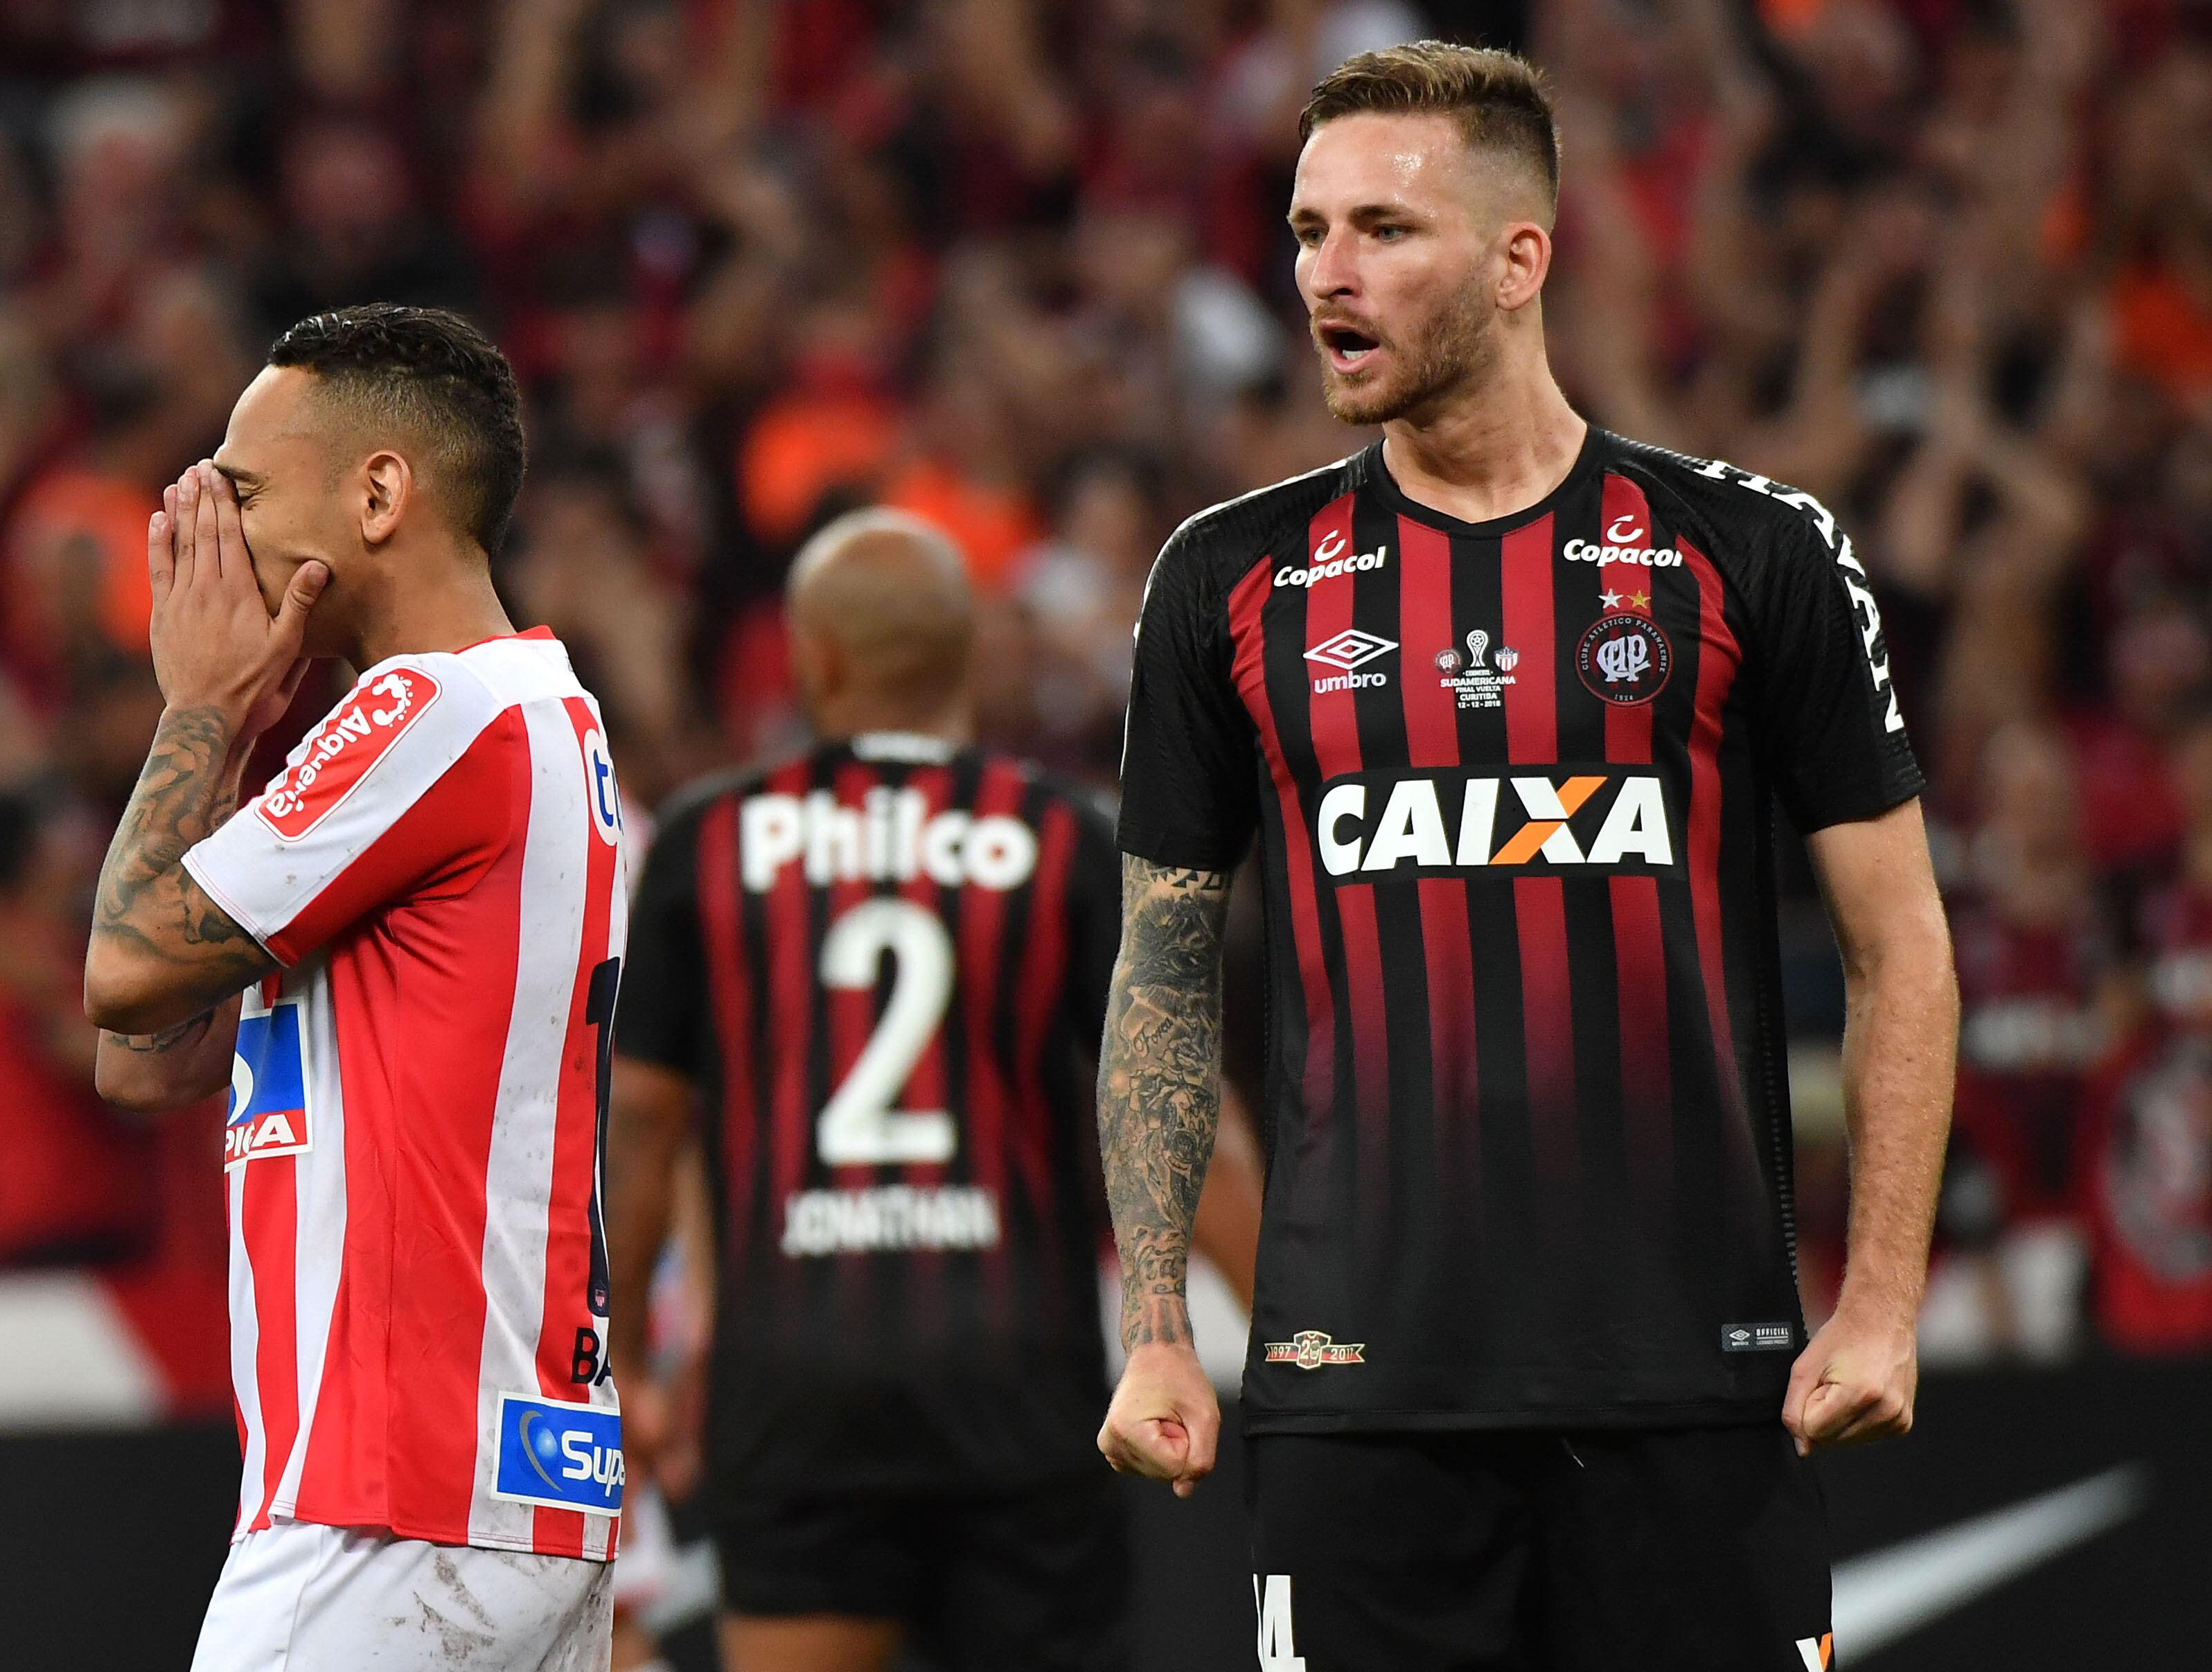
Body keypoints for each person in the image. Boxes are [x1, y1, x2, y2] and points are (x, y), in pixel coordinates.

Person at [1097, 44, 1956, 1672]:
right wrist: (1158, 1327)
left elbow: (1897, 942)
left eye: (1378, 230)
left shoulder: (1749, 554)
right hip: (1355, 1408)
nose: (1322, 275)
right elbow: (1163, 973)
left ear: (1519, 261)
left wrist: (1885, 1299)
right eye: (1302, 231)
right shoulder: (1227, 579)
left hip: (1692, 1396)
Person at [604, 508, 1263, 1672]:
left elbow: (644, 1124)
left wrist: (619, 1372)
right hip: (1013, 1383)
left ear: (815, 658)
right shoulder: (1063, 837)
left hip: (794, 1385)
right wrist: (1296, 1350)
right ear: (969, 657)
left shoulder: (705, 842)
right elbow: (1182, 1123)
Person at [81, 303, 627, 1672]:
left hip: (386, 1501)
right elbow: (143, 1054)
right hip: (495, 1498)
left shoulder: (433, 712)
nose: (217, 529)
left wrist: (196, 709)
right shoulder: (517, 720)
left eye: (247, 489)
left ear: (380, 492)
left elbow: (121, 969)